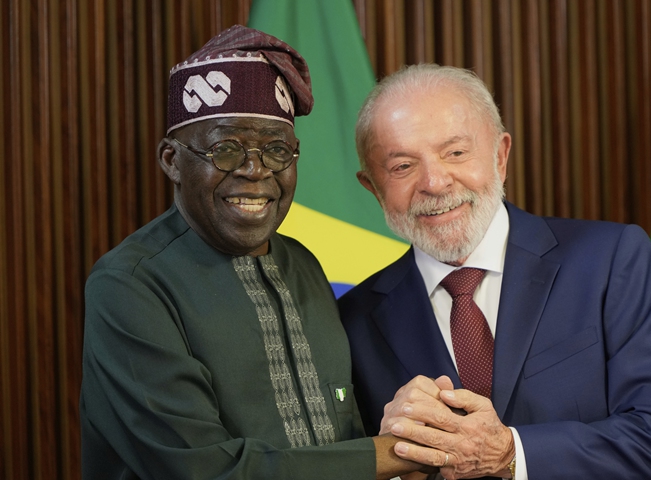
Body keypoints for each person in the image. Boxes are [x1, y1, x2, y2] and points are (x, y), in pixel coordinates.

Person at [80, 25, 435, 480]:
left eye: (276, 150)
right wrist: (397, 454)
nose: (255, 170)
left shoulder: (303, 265)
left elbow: (344, 430)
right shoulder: (131, 286)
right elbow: (206, 471)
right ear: (172, 160)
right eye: (226, 149)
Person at [338, 64, 651, 480]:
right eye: (403, 166)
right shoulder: (350, 322)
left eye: (456, 153)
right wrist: (387, 458)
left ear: (500, 156)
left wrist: (510, 453)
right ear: (373, 188)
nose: (435, 182)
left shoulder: (610, 261)